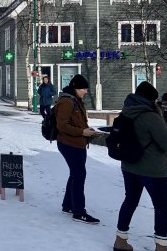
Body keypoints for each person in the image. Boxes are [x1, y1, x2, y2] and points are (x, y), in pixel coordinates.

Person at [113, 81, 167, 251]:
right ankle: (161, 245)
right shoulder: (151, 116)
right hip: (152, 170)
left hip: (129, 166)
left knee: (130, 201)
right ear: (151, 100)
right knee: (161, 206)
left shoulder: (126, 112)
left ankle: (120, 240)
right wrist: (163, 122)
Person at [55, 74, 100, 224]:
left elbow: (77, 122)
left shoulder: (76, 101)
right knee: (79, 174)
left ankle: (68, 205)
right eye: (83, 89)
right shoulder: (67, 102)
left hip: (78, 143)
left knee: (75, 174)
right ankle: (79, 212)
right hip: (69, 144)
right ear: (75, 88)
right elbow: (62, 126)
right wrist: (82, 132)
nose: (85, 91)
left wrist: (88, 130)